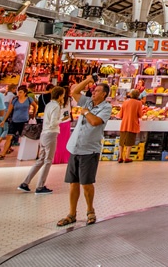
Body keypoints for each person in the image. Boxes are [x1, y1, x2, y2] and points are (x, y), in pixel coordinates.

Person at [57, 76, 113, 226]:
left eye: (98, 91)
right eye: (94, 90)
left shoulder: (106, 107)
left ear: (104, 95)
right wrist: (88, 80)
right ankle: (72, 213)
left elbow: (95, 122)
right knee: (73, 183)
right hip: (75, 147)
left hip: (89, 150)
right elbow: (74, 92)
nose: (94, 93)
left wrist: (85, 112)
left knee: (87, 183)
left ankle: (90, 211)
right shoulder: (87, 102)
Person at [20, 86, 68, 193]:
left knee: (41, 159)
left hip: (44, 133)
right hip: (51, 134)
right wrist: (62, 119)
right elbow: (53, 123)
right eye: (63, 95)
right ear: (60, 95)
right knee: (48, 160)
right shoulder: (56, 106)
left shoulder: (49, 105)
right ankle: (40, 186)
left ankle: (25, 182)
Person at [0, 86, 36, 160]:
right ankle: (3, 154)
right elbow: (9, 110)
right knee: (9, 137)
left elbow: (35, 106)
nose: (19, 94)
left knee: (24, 138)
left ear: (25, 93)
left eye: (20, 92)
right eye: (18, 92)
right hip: (14, 121)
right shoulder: (15, 100)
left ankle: (25, 153)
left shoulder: (29, 99)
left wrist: (33, 115)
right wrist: (4, 120)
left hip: (24, 121)